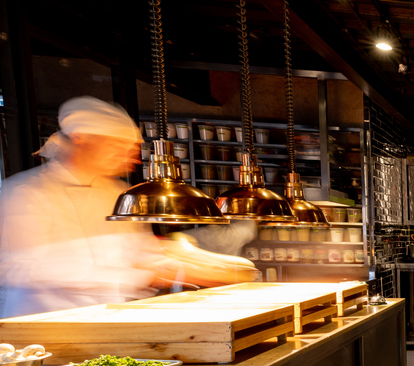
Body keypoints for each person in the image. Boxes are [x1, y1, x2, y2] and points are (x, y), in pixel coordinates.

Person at [0, 97, 247, 317]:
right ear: (81, 139)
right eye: (119, 147)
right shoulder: (26, 192)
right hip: (46, 327)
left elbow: (139, 250)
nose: (134, 158)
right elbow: (19, 267)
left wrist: (200, 260)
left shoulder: (117, 192)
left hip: (114, 319)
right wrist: (143, 274)